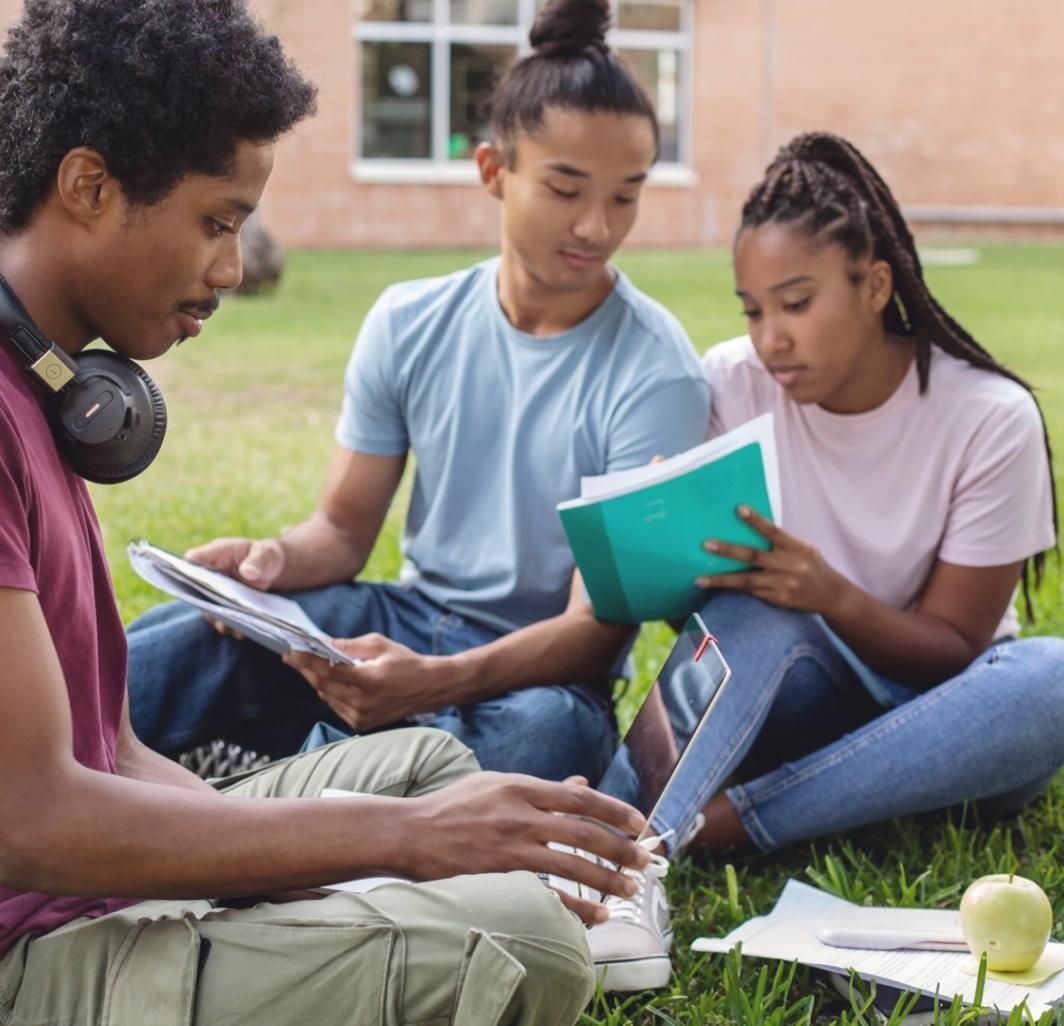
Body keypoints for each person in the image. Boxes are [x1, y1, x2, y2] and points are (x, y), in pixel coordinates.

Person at [0, 2, 654, 1023]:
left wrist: (353, 861)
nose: (231, 268)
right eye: (217, 222)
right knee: (525, 937)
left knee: (431, 767)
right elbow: (32, 828)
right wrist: (401, 849)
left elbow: (116, 751)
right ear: (90, 187)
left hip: (73, 886)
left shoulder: (29, 384)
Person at [125, 0, 711, 784]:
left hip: (535, 675)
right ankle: (42, 767)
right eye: (566, 190)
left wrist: (435, 682)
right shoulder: (410, 320)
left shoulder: (656, 370)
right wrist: (268, 563)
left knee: (546, 743)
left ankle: (283, 780)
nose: (596, 228)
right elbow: (339, 529)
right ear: (493, 172)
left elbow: (594, 632)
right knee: (193, 637)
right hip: (400, 622)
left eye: (625, 195)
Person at [602, 130, 1064, 989]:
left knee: (1056, 675)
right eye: (751, 309)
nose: (769, 338)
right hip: (794, 698)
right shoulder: (731, 384)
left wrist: (831, 593)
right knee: (753, 612)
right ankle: (605, 843)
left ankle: (721, 824)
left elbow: (955, 651)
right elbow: (707, 626)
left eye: (795, 302)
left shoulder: (986, 417)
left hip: (945, 726)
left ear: (873, 285)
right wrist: (670, 549)